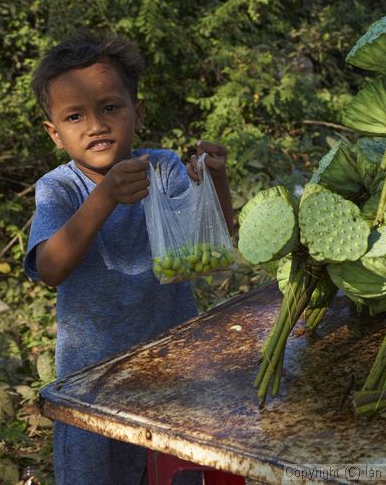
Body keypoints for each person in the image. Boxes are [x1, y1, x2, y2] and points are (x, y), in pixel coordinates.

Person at [23, 33, 234, 485]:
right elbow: (50, 268)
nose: (95, 125)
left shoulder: (162, 168)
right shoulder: (59, 189)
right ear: (55, 134)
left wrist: (214, 180)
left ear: (137, 113)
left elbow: (214, 242)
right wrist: (106, 197)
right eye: (75, 116)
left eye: (110, 107)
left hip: (175, 371)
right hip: (95, 383)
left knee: (178, 471)